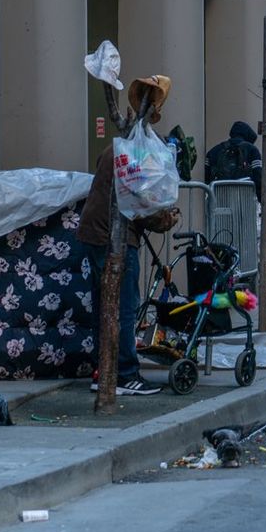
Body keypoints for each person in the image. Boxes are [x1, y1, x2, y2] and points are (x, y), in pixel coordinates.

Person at [77, 76, 172, 396]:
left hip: (94, 232)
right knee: (123, 305)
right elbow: (143, 201)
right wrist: (164, 217)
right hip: (112, 237)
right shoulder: (136, 155)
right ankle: (124, 373)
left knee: (104, 304)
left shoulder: (114, 149)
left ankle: (102, 369)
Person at [204, 121, 263, 202]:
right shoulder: (252, 150)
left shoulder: (213, 151)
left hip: (220, 200)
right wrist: (262, 200)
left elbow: (206, 178)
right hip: (245, 201)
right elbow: (258, 176)